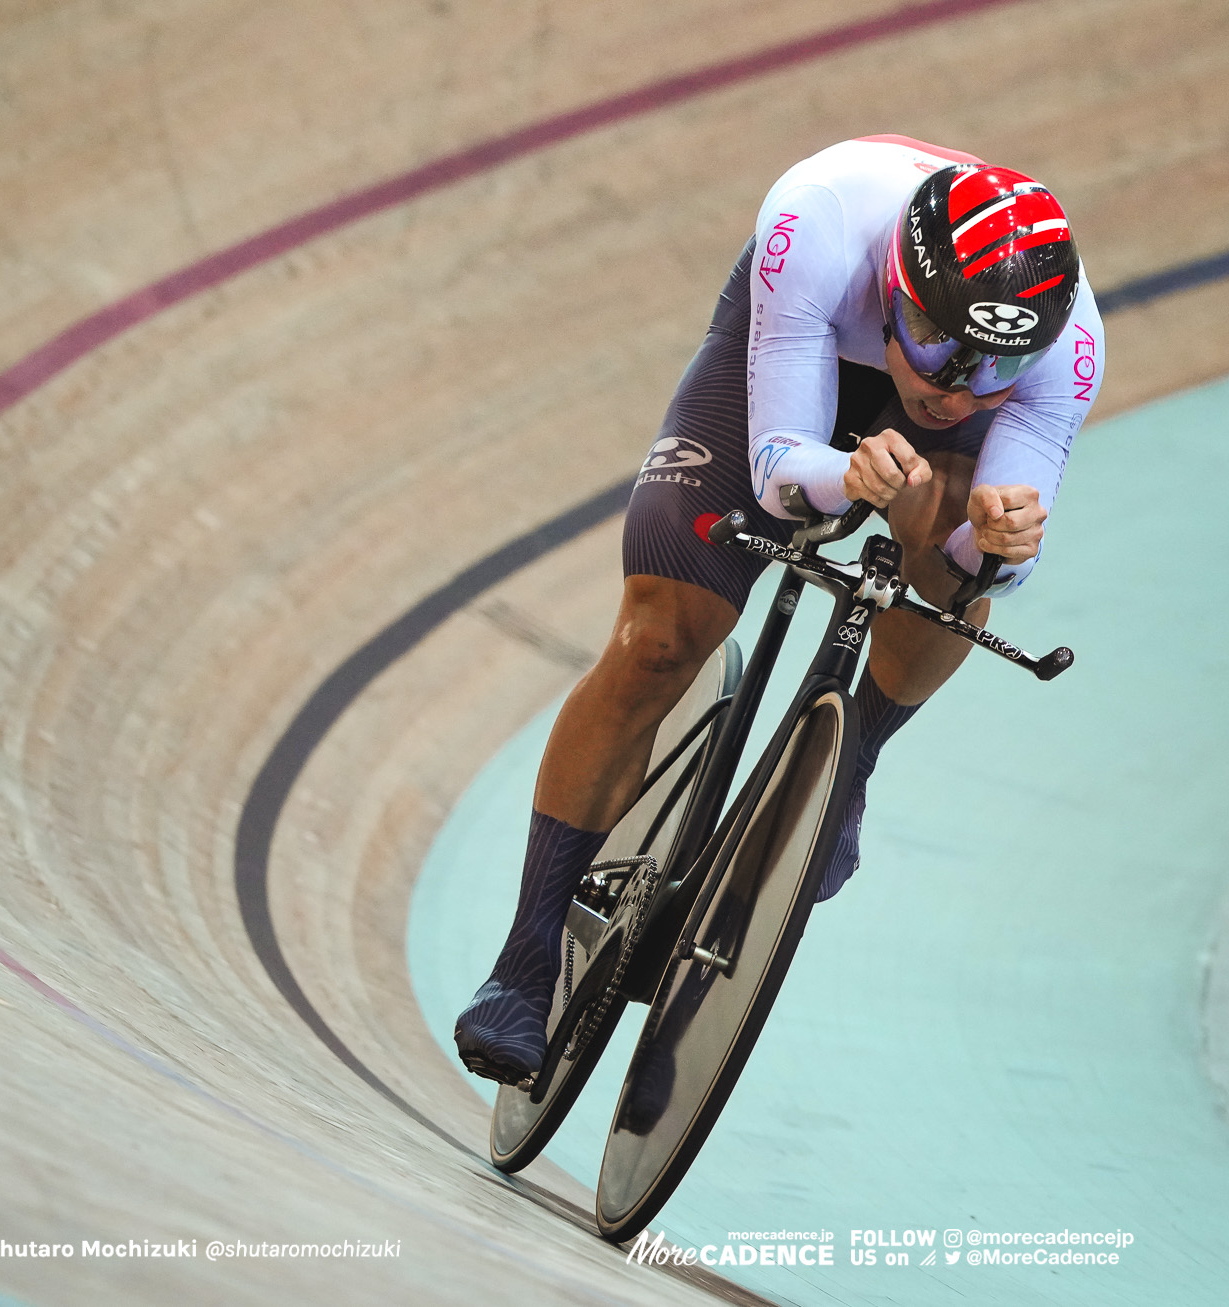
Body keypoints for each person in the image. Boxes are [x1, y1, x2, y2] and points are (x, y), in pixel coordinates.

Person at [455, 135, 1107, 1085]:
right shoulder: (822, 225)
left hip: (933, 433)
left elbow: (987, 570)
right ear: (894, 288)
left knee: (950, 548)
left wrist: (990, 544)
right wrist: (846, 474)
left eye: (989, 369)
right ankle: (525, 960)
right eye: (934, 344)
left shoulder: (1066, 347)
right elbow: (776, 470)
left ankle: (852, 758)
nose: (949, 385)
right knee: (657, 638)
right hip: (802, 356)